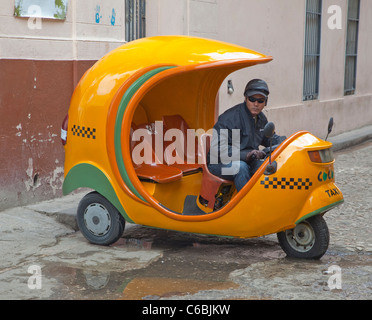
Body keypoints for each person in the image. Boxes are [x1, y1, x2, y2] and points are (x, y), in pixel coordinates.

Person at [207, 79, 285, 192]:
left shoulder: (261, 119)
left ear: (265, 102)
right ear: (245, 98)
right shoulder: (230, 118)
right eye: (252, 99)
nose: (256, 104)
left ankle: (264, 202)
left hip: (247, 160)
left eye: (260, 100)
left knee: (268, 166)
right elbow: (218, 149)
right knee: (241, 167)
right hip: (218, 163)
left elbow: (269, 139)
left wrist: (288, 142)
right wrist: (247, 154)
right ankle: (246, 207)